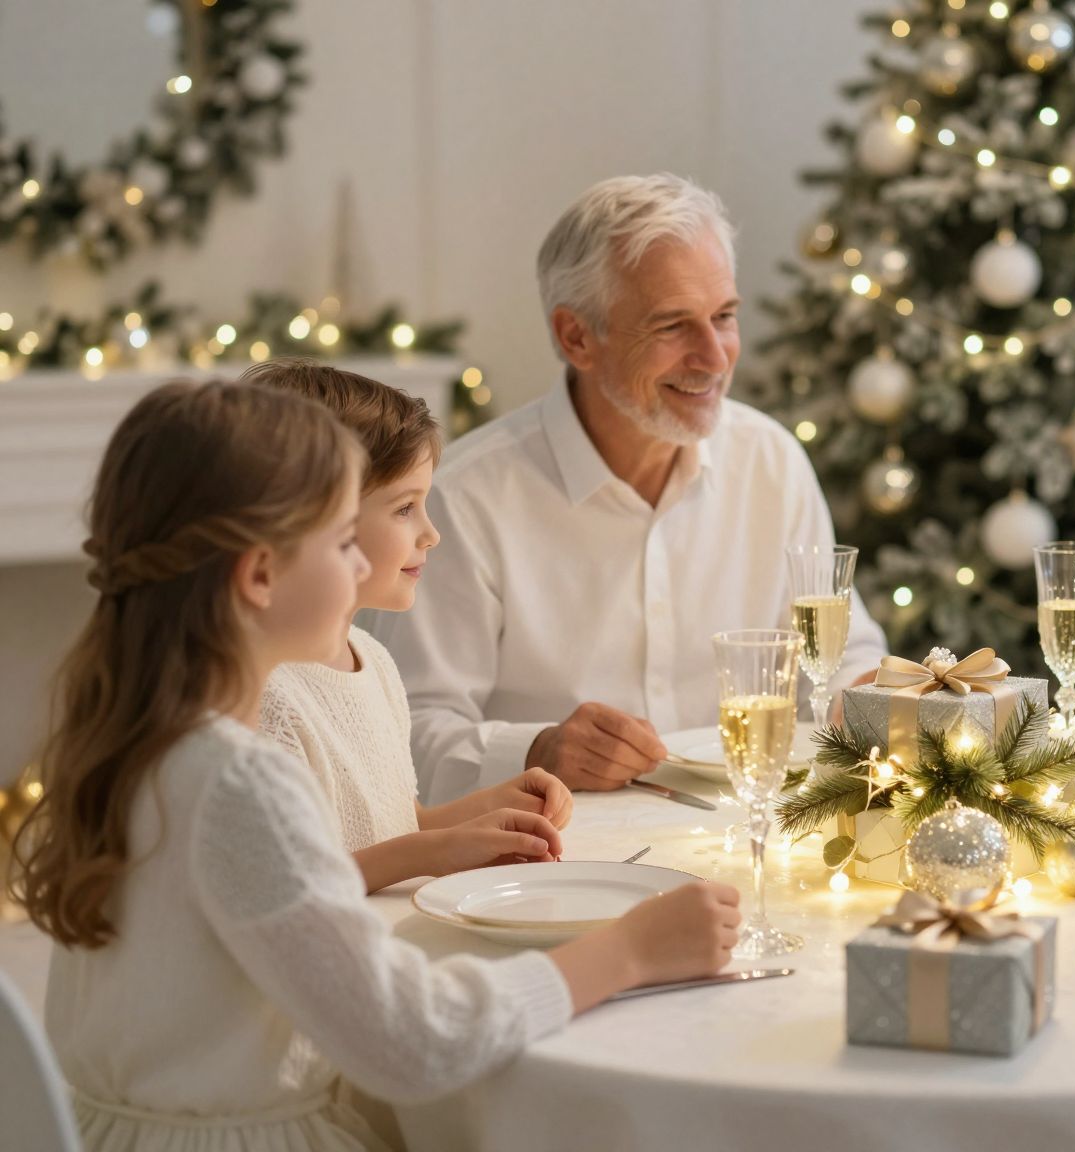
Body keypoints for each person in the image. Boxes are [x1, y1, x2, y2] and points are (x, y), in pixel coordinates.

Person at [10, 382, 740, 1150]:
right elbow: (411, 1042)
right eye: (341, 543)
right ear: (260, 575)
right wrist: (629, 950)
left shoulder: (143, 738)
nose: (362, 567)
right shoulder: (237, 780)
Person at [375, 173, 886, 803]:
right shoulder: (467, 498)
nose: (715, 356)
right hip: (554, 867)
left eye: (723, 317)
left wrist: (870, 698)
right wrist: (538, 751)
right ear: (576, 338)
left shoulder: (772, 462)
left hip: (745, 835)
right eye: (672, 327)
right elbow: (401, 734)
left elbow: (840, 656)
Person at [247, 361, 574, 892]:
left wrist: (496, 806)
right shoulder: (264, 697)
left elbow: (398, 823)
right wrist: (436, 851)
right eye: (404, 509)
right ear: (312, 519)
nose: (431, 534)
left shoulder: (371, 660)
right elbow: (288, 885)